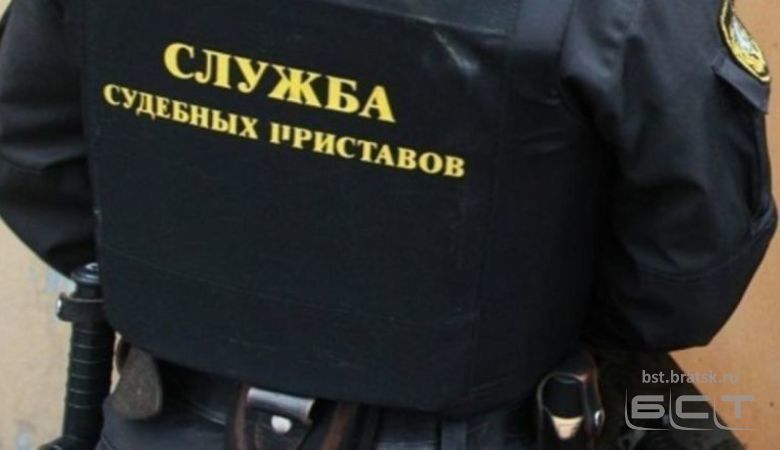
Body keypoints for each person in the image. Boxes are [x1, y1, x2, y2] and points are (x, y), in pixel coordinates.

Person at [0, 0, 773, 448]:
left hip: (165, 413)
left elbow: (32, 157)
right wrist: (506, 329)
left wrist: (211, 299)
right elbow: (686, 271)